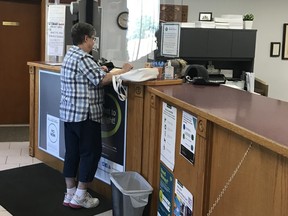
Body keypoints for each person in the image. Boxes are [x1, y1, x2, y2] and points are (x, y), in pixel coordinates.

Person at [59, 22, 133, 209]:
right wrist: (123, 71)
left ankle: (69, 193)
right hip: (86, 115)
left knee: (72, 153)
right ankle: (81, 196)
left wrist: (100, 70)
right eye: (93, 38)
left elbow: (86, 76)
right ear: (86, 38)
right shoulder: (84, 58)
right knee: (90, 153)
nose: (93, 41)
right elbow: (100, 81)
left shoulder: (70, 55)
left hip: (70, 114)